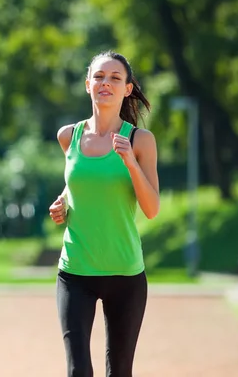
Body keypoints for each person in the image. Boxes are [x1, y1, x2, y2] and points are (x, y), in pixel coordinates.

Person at [48, 50, 160, 377]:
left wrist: (130, 163)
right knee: (78, 369)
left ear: (127, 88)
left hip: (125, 273)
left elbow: (152, 209)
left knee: (120, 371)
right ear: (87, 85)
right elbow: (80, 183)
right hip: (75, 270)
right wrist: (63, 203)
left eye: (114, 78)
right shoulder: (69, 136)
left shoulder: (141, 140)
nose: (105, 83)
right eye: (98, 77)